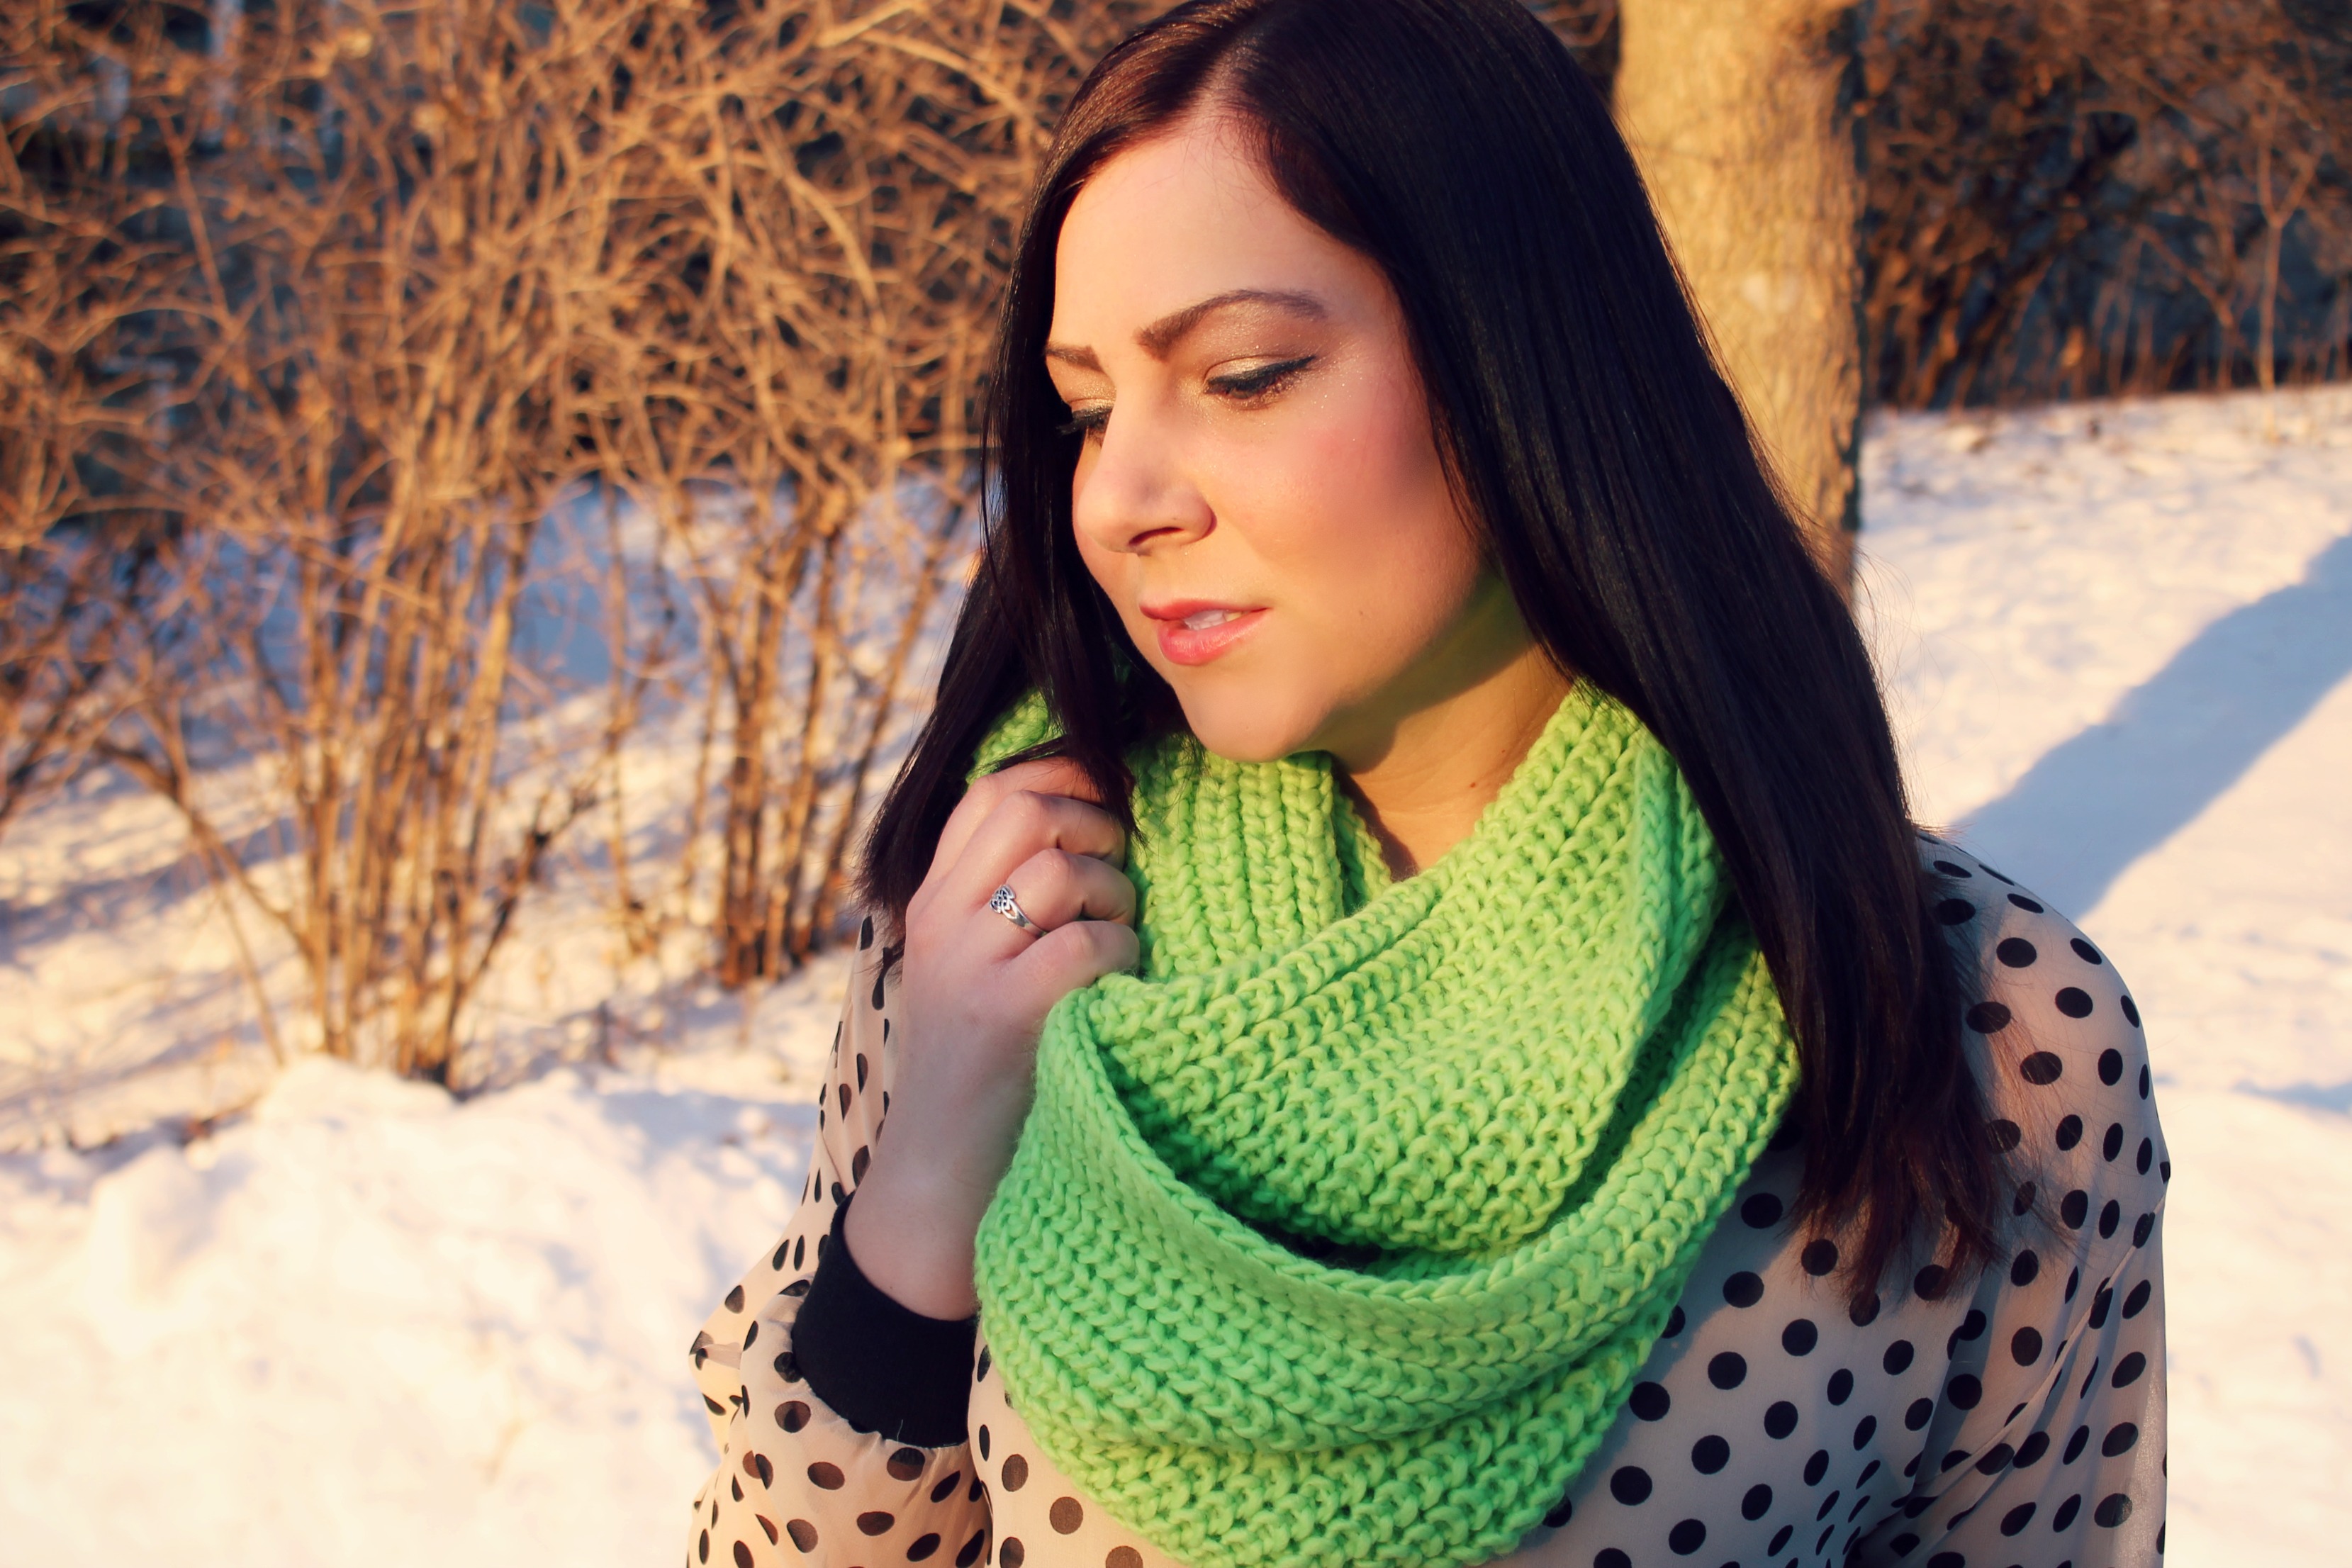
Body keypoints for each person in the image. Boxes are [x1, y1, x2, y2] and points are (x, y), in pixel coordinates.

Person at [683, 1, 2167, 1564]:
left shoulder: (1986, 1031)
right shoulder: (1018, 901)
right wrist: (926, 1174)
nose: (1116, 496)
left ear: (1524, 360)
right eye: (1088, 408)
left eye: (1246, 374)